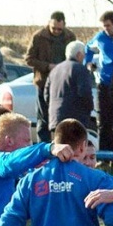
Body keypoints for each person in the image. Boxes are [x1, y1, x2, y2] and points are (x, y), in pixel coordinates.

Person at [25, 11, 77, 142]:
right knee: (43, 119)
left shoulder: (70, 37)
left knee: (63, 119)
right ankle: (44, 148)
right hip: (43, 83)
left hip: (63, 84)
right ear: (48, 23)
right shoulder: (38, 36)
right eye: (54, 28)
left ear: (64, 25)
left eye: (60, 29)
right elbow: (29, 59)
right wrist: (47, 66)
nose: (56, 31)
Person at [84, 11, 113, 152]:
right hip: (105, 83)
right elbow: (88, 48)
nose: (106, 29)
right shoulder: (100, 37)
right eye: (104, 26)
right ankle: (107, 155)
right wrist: (88, 63)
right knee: (104, 123)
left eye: (108, 25)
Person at [45, 40, 95, 132]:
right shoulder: (80, 69)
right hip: (75, 120)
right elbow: (85, 92)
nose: (84, 57)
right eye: (84, 54)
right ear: (79, 54)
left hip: (55, 118)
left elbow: (46, 95)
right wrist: (90, 107)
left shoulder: (55, 70)